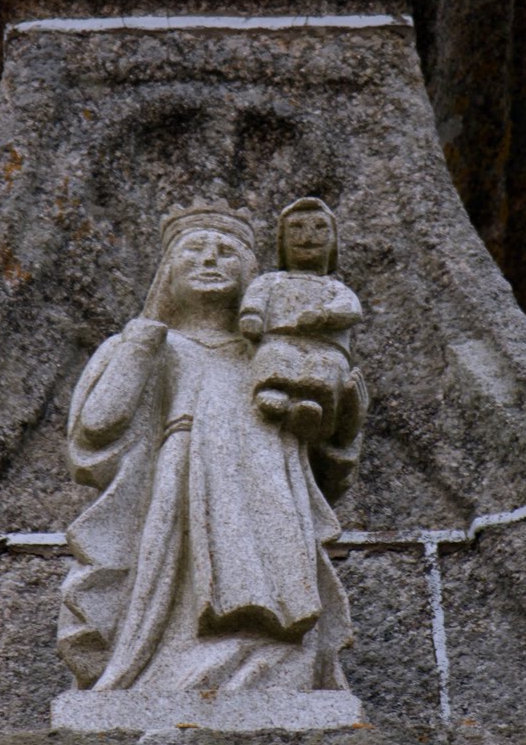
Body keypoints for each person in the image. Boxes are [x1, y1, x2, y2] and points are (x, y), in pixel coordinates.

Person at [57, 201, 365, 695]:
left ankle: (274, 673)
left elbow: (330, 468)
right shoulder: (143, 343)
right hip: (176, 492)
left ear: (252, 275)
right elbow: (97, 427)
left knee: (275, 604)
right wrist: (146, 333)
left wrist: (345, 415)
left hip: (269, 487)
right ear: (166, 273)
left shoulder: (270, 352)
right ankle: (155, 674)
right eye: (193, 250)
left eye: (227, 252)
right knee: (169, 597)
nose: (210, 260)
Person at [239, 197, 363, 443]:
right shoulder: (270, 281)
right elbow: (254, 300)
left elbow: (351, 309)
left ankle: (313, 411)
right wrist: (251, 317)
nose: (308, 236)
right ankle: (271, 394)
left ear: (333, 243)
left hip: (326, 347)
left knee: (324, 369)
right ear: (281, 241)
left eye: (320, 228)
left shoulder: (334, 288)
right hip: (278, 340)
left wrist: (325, 316)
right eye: (296, 228)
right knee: (275, 357)